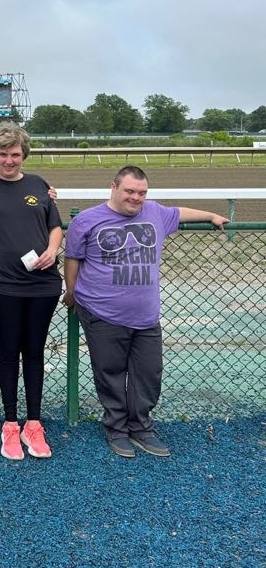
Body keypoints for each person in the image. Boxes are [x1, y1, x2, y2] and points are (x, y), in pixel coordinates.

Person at [63, 166, 229, 458]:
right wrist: (73, 293)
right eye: (129, 191)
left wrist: (211, 215)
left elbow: (179, 211)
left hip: (146, 314)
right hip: (102, 311)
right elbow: (73, 259)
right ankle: (116, 428)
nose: (136, 198)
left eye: (141, 193)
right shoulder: (87, 220)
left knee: (148, 374)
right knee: (111, 373)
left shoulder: (155, 213)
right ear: (113, 187)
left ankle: (141, 427)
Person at [0, 123, 62, 460]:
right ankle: (10, 423)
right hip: (0, 286)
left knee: (35, 350)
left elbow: (54, 226)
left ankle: (34, 423)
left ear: (23, 155)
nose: (9, 160)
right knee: (9, 350)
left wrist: (53, 250)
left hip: (43, 285)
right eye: (3, 154)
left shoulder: (39, 185)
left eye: (15, 154)